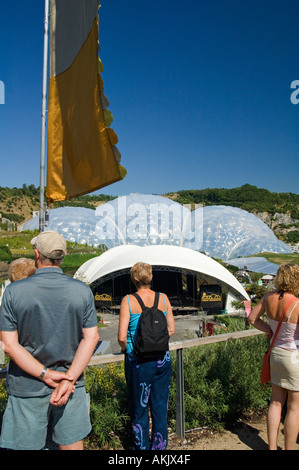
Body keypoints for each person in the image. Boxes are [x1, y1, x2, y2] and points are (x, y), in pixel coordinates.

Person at [0, 230, 99, 450]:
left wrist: (45, 374)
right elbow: (91, 338)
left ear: (37, 254)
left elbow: (9, 345)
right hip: (71, 386)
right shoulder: (82, 292)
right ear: (63, 255)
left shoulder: (14, 292)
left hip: (27, 387)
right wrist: (69, 379)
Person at [118, 262, 175, 450]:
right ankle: (159, 449)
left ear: (133, 280)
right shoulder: (163, 298)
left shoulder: (128, 300)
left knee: (139, 409)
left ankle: (140, 448)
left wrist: (128, 348)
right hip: (162, 359)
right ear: (151, 278)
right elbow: (171, 330)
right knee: (160, 408)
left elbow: (121, 336)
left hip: (138, 361)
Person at [248, 263, 299, 450]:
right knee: (294, 407)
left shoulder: (268, 298)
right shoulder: (296, 303)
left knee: (276, 401)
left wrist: (270, 329)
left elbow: (252, 319)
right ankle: (289, 448)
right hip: (294, 356)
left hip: (275, 353)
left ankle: (271, 446)